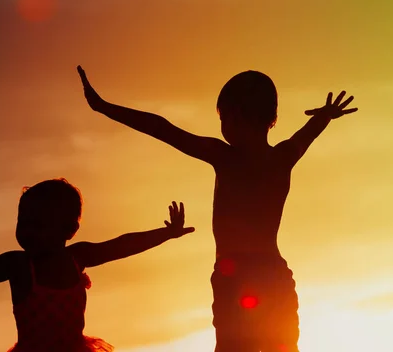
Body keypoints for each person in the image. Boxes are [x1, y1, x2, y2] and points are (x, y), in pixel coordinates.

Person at [77, 66, 358, 352]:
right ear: (271, 118)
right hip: (275, 275)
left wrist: (104, 107)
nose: (222, 127)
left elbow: (163, 129)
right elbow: (309, 132)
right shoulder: (283, 156)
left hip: (235, 275)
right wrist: (325, 115)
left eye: (223, 118)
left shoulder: (224, 156)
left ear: (235, 116)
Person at [0, 178, 194, 352]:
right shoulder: (18, 265)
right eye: (23, 223)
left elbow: (121, 246)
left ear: (68, 230)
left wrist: (166, 233)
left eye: (38, 225)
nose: (28, 232)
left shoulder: (78, 257)